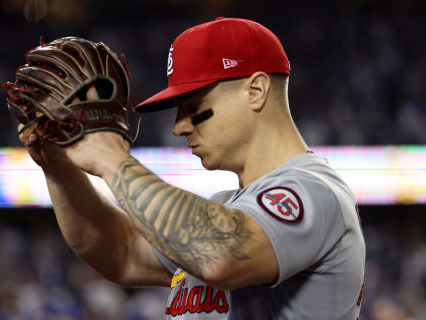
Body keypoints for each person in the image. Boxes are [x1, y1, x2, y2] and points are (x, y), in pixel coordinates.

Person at [21, 17, 365, 319]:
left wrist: (111, 158)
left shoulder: (314, 191)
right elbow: (120, 252)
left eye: (194, 106)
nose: (179, 126)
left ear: (256, 90)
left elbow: (220, 255)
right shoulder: (226, 206)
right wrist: (59, 167)